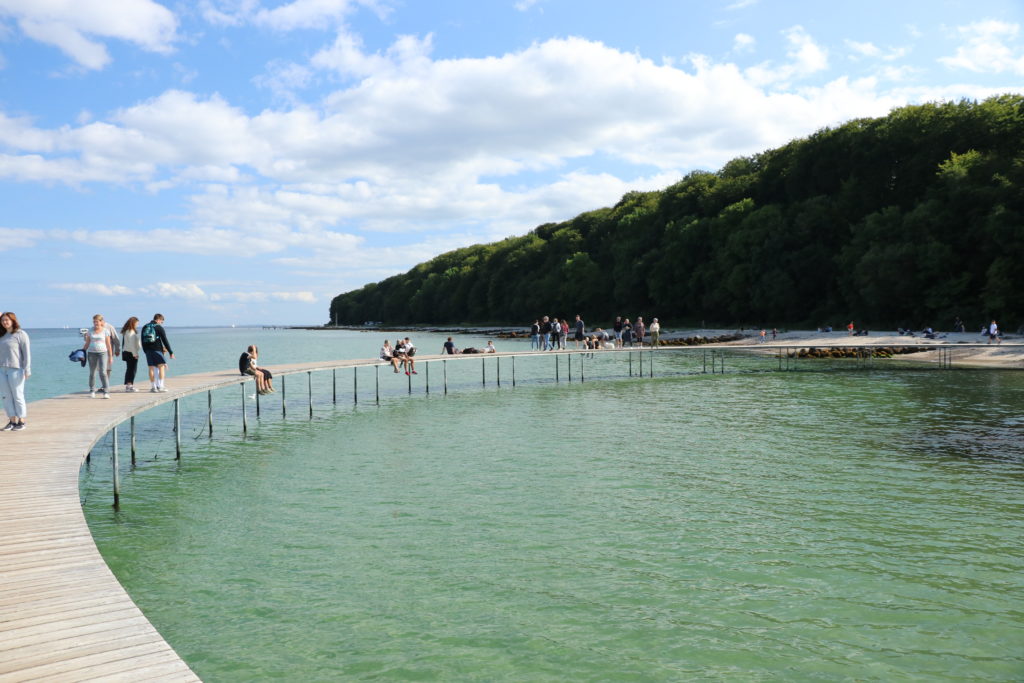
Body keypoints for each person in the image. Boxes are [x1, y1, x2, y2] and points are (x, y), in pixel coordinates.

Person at [0, 312, 30, 431]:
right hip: (2, 369)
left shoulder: (20, 334)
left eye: (7, 320)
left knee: (18, 395)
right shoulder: (1, 335)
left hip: (16, 369)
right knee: (6, 396)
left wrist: (27, 369)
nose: (4, 322)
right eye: (2, 320)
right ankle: (12, 421)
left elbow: (27, 353)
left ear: (13, 320)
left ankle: (21, 421)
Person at [141, 313, 174, 392]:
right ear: (159, 319)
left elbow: (142, 340)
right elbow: (165, 341)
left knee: (151, 368)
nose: (161, 323)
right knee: (161, 367)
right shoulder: (159, 328)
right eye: (162, 322)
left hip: (148, 351)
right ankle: (161, 386)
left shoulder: (145, 327)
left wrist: (145, 351)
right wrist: (170, 352)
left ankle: (153, 387)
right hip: (157, 350)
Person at [82, 314, 113, 398]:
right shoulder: (90, 331)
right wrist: (82, 352)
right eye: (94, 321)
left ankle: (106, 392)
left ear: (101, 321)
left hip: (103, 353)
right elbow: (87, 343)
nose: (95, 323)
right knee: (92, 373)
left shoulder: (105, 331)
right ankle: (92, 390)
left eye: (97, 321)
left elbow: (108, 344)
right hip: (91, 353)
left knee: (103, 372)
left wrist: (110, 356)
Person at [120, 317, 141, 392]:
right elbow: (132, 344)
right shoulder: (131, 331)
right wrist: (135, 354)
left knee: (129, 369)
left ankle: (128, 385)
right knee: (132, 369)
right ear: (133, 323)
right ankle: (129, 386)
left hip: (127, 352)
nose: (137, 325)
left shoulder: (126, 331)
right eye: (136, 323)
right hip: (131, 353)